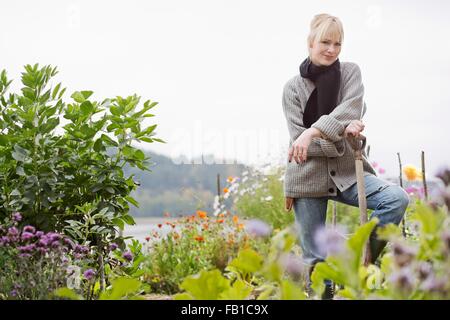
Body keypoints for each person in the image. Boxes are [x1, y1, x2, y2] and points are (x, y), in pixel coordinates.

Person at [282, 13, 410, 299]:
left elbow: (352, 109)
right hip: (305, 175)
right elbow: (299, 144)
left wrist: (312, 132)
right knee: (315, 259)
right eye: (325, 42)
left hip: (348, 172)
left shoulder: (350, 73)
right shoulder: (292, 88)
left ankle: (359, 257)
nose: (331, 49)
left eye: (337, 44)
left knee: (396, 199)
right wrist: (339, 131)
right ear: (310, 42)